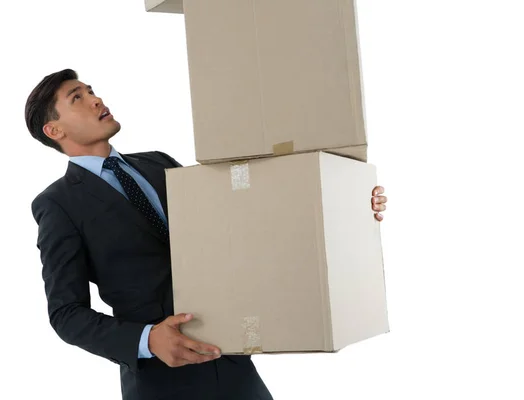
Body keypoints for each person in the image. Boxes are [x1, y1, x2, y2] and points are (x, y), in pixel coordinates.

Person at [25, 69, 388, 400]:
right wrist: (147, 340)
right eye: (77, 97)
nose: (96, 99)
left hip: (232, 363)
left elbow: (237, 223)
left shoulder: (159, 163)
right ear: (54, 130)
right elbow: (66, 313)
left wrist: (349, 204)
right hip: (162, 381)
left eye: (91, 90)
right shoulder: (58, 204)